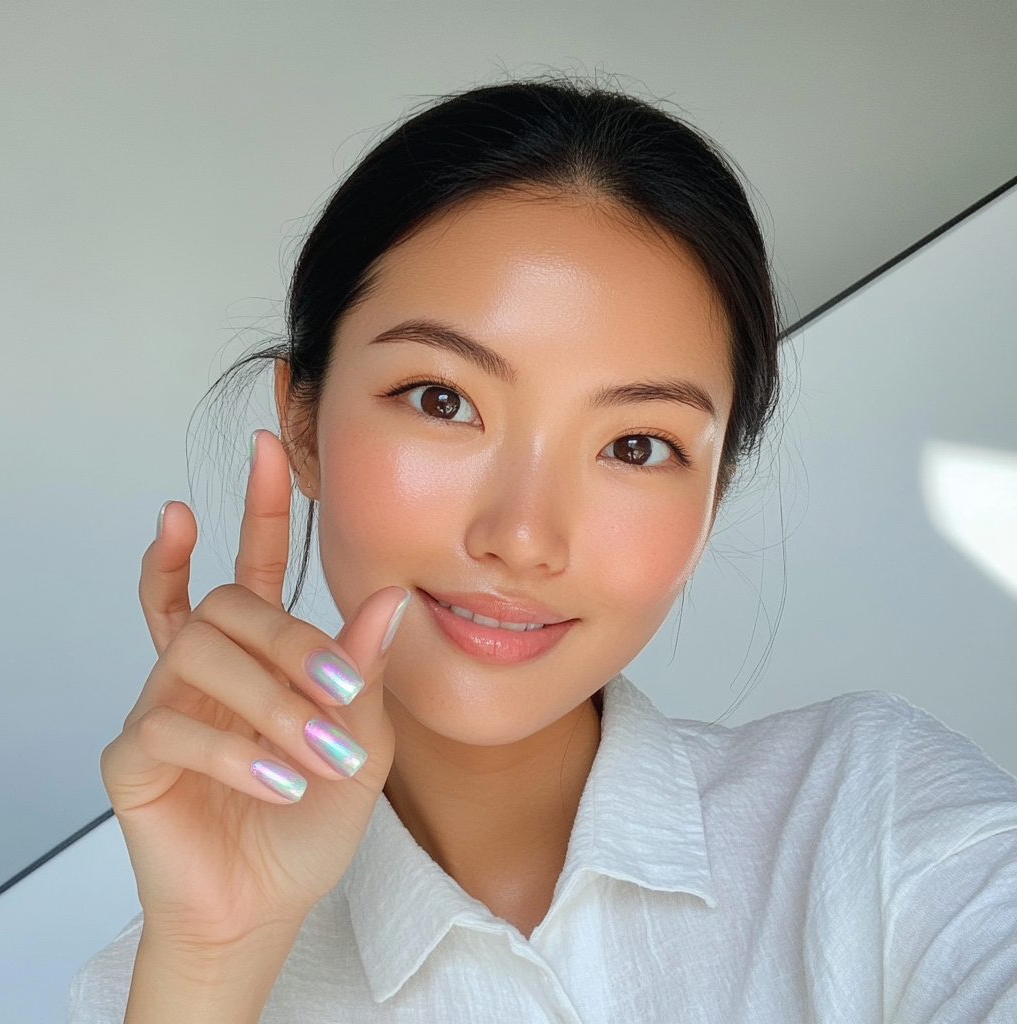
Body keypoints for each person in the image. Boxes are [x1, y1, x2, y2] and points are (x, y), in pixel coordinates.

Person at [68, 79, 1017, 1024]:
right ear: (302, 423)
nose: (522, 538)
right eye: (443, 400)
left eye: (636, 446)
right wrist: (212, 961)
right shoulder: (155, 986)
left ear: (714, 491)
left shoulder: (877, 824)